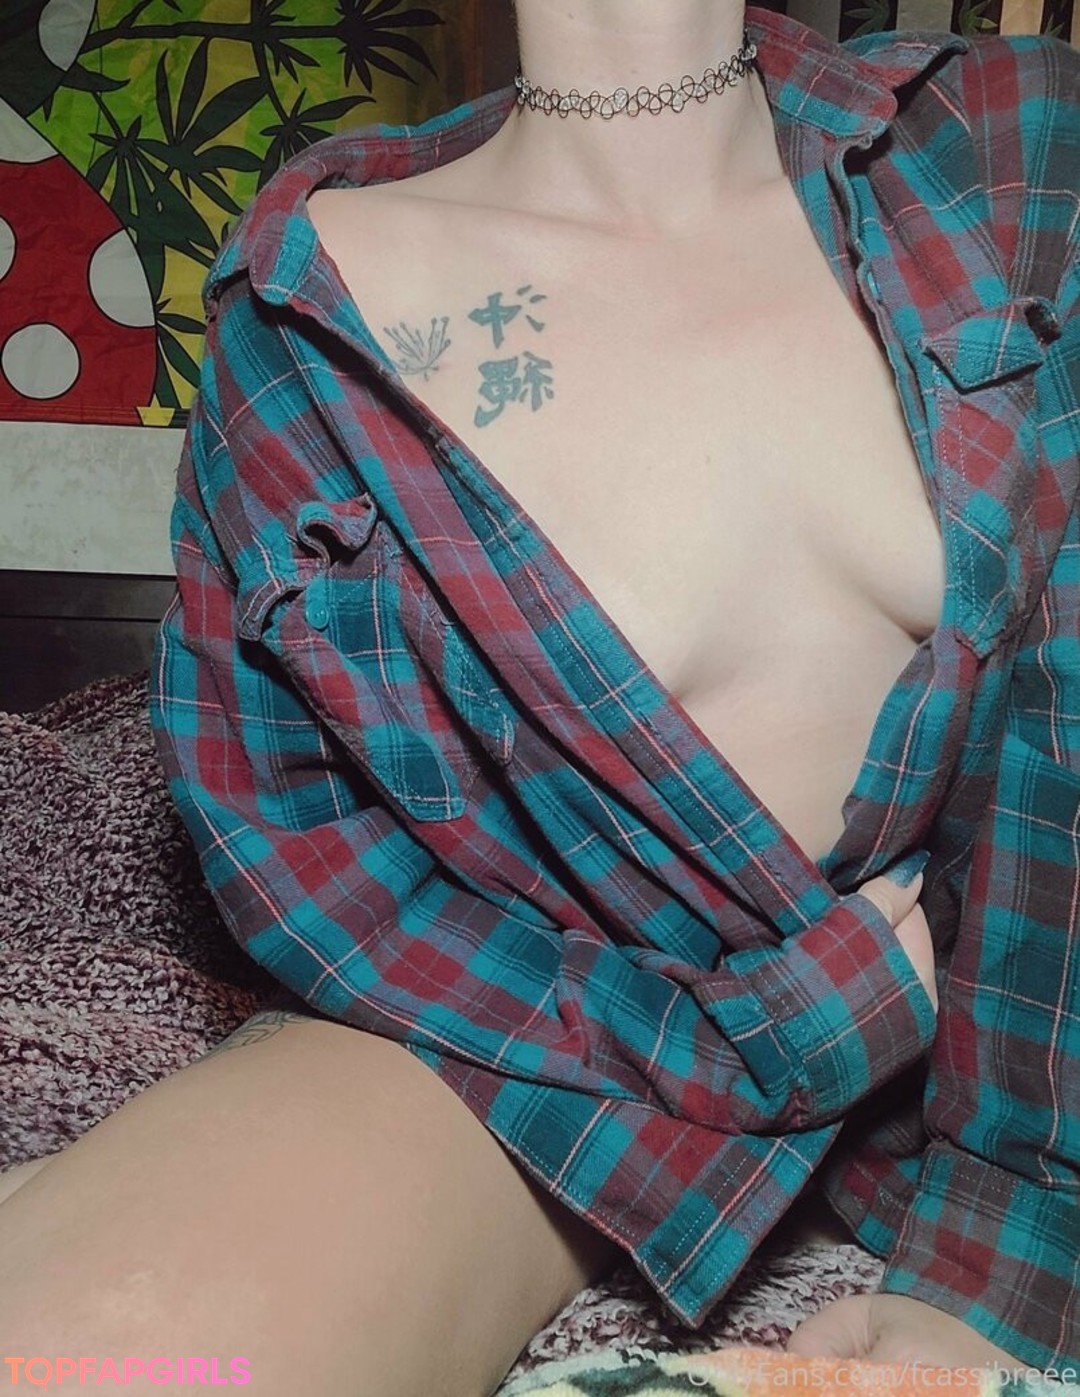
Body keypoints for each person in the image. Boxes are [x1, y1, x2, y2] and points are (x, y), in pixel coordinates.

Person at [1, 1, 1076, 1391]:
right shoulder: (309, 305)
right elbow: (301, 851)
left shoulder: (1011, 142)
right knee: (89, 1359)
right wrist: (763, 1034)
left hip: (1020, 1027)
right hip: (593, 1040)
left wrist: (1017, 1242)